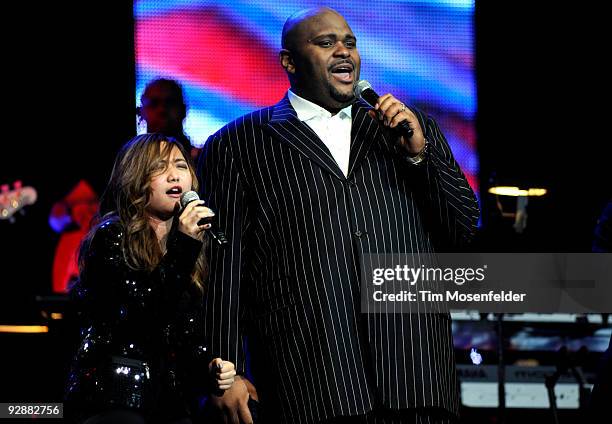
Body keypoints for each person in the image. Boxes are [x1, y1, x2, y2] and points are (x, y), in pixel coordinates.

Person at [199, 7, 479, 424]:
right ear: (289, 61)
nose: (343, 52)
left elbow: (464, 232)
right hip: (312, 376)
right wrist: (226, 372)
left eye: (349, 42)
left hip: (416, 373)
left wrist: (420, 157)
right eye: (326, 43)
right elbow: (224, 266)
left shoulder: (408, 129)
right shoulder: (238, 145)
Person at [65, 133, 236, 424]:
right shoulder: (111, 237)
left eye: (181, 166)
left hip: (170, 398)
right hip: (114, 396)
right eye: (159, 167)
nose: (174, 176)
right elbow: (142, 315)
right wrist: (184, 246)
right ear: (136, 180)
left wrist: (210, 363)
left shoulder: (194, 242)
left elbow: (182, 326)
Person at [137, 78, 200, 160]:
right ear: (142, 111)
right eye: (154, 103)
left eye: (170, 103)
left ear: (183, 110)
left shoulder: (201, 160)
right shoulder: (132, 159)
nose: (162, 109)